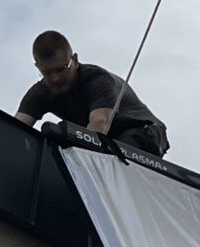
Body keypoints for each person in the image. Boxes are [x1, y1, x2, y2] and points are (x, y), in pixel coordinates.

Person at [17, 32, 169, 158]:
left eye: (61, 69)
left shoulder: (98, 80)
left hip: (143, 132)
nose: (55, 78)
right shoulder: (40, 92)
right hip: (106, 140)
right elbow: (17, 127)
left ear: (74, 60)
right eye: (47, 72)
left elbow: (99, 123)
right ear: (37, 66)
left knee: (110, 153)